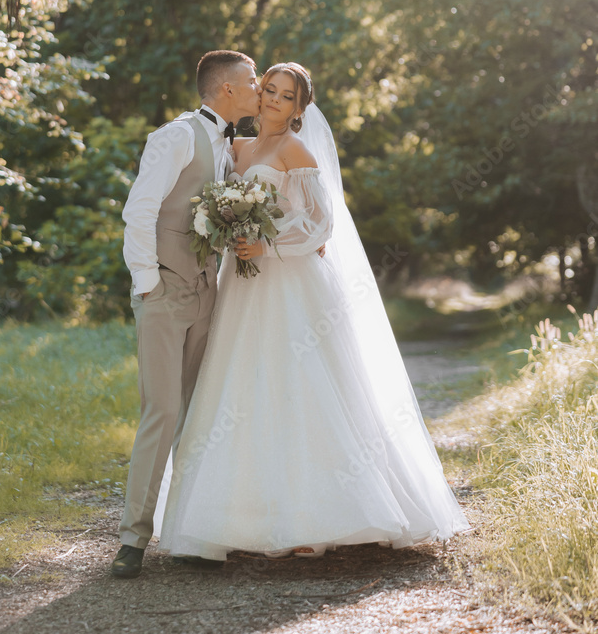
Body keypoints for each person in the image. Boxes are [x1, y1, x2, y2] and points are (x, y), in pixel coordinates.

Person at [158, 62, 469, 560]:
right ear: (258, 96)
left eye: (287, 96)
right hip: (239, 285)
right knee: (241, 386)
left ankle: (318, 515)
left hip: (288, 282)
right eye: (271, 91)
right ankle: (241, 517)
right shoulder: (234, 149)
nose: (275, 101)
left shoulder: (294, 151)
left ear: (301, 108)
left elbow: (322, 226)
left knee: (298, 383)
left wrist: (267, 245)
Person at [111, 50, 261, 578]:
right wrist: (148, 284)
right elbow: (140, 210)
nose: (258, 86)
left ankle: (193, 533)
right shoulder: (175, 136)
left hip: (207, 292)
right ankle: (132, 539)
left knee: (199, 413)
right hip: (164, 294)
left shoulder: (233, 144)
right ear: (225, 90)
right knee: (163, 412)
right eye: (251, 79)